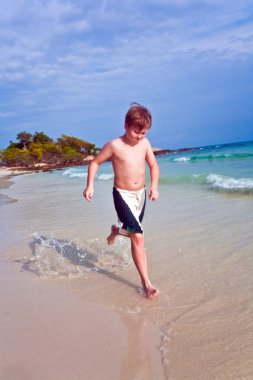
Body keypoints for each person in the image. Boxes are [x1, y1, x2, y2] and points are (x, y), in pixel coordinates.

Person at [83, 103, 159, 299]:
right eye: (136, 132)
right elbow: (95, 162)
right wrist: (90, 185)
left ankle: (117, 230)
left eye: (144, 133)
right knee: (139, 236)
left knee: (133, 233)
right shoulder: (114, 145)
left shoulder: (145, 143)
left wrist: (154, 186)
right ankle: (146, 283)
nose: (140, 136)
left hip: (140, 196)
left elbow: (153, 165)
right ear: (126, 125)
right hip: (122, 195)